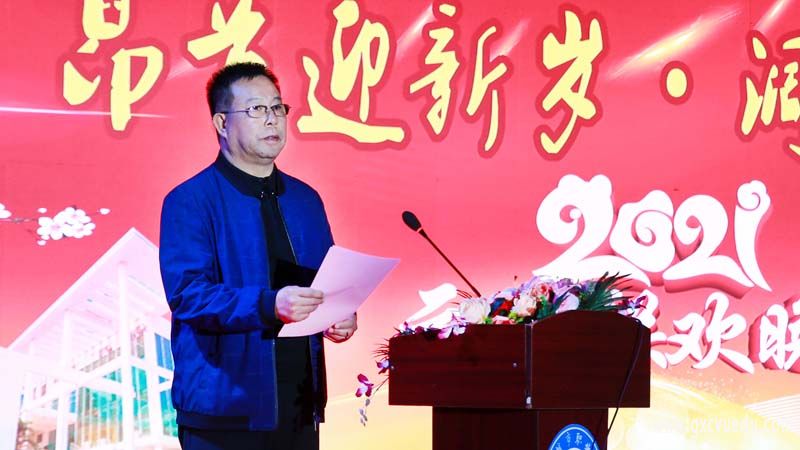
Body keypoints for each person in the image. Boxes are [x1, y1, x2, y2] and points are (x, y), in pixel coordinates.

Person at [159, 62, 357, 450]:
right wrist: (271, 305)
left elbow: (324, 281)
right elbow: (189, 296)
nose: (272, 119)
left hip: (298, 404)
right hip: (224, 413)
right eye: (256, 109)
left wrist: (339, 314)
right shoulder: (190, 201)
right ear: (221, 123)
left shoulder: (305, 199)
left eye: (277, 107)